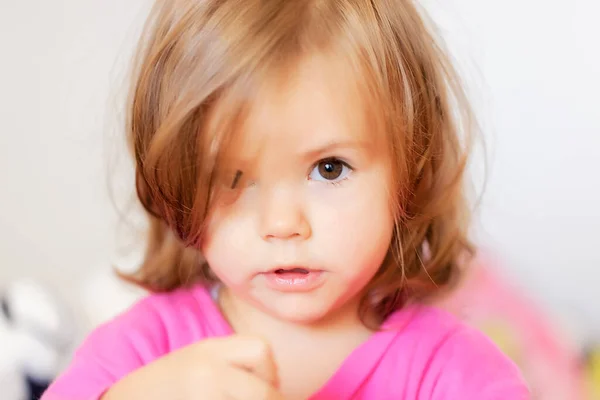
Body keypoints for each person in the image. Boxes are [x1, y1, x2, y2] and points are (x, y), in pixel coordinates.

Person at [42, 0, 529, 398]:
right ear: (178, 181)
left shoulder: (456, 375)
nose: (282, 224)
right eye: (232, 177)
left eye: (329, 169)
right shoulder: (142, 351)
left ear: (411, 172)